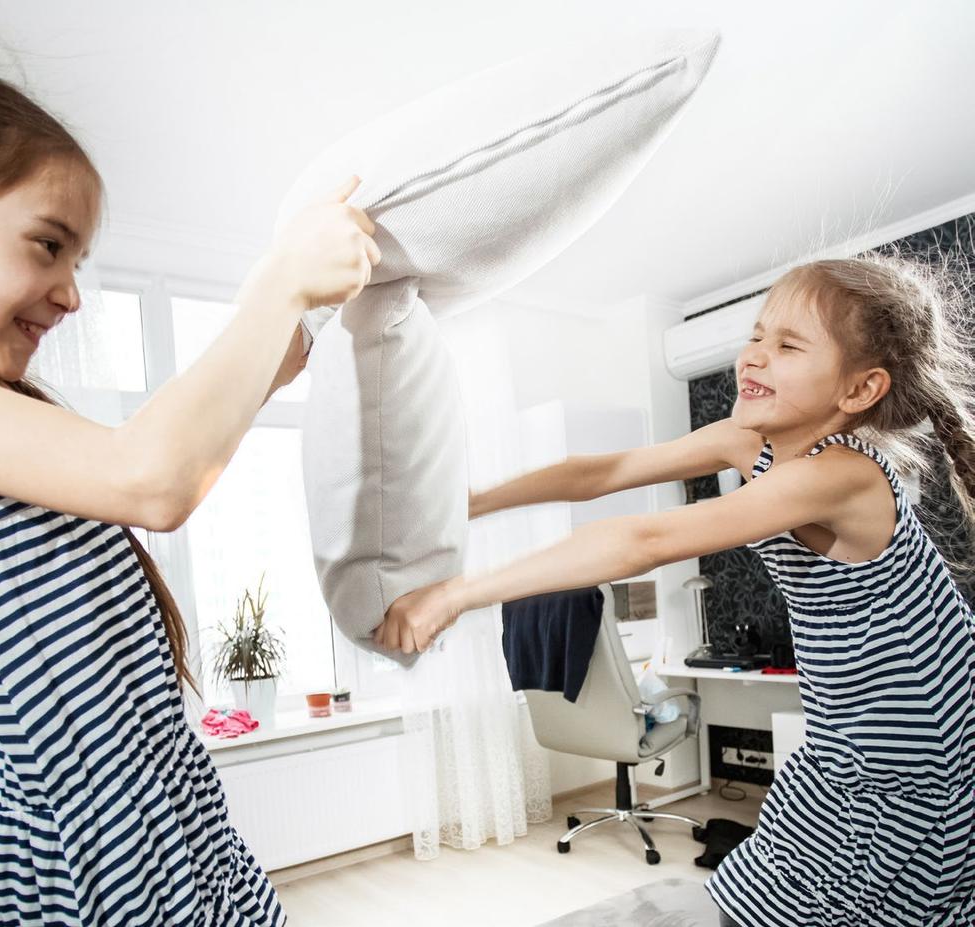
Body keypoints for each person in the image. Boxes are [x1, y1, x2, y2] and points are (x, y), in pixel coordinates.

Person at [379, 256, 975, 926]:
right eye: (756, 335)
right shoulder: (745, 441)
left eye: (788, 345)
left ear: (860, 388)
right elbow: (600, 471)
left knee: (852, 897)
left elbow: (646, 540)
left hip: (920, 742)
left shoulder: (845, 474)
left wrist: (460, 592)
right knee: (771, 885)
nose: (754, 357)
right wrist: (474, 500)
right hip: (850, 733)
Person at [0, 60, 379, 925]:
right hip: (99, 886)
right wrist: (277, 282)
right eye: (48, 242)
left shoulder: (3, 425)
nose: (72, 294)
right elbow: (149, 478)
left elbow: (150, 457)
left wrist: (264, 370)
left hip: (189, 855)